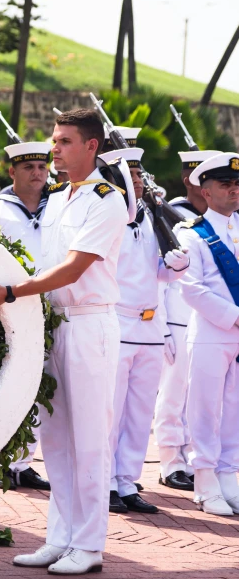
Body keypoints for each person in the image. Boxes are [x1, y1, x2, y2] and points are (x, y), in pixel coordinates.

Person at [0, 109, 128, 575]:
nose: (53, 149)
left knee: (89, 438)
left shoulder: (107, 199)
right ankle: (59, 537)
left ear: (91, 147)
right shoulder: (59, 198)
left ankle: (89, 544)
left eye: (63, 141)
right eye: (54, 140)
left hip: (88, 323)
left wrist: (10, 293)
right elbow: (40, 263)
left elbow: (74, 268)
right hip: (54, 322)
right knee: (55, 438)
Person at [100, 145, 190, 515]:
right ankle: (104, 480)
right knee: (112, 409)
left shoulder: (152, 218)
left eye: (139, 177)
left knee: (138, 411)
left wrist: (177, 266)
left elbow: (159, 272)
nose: (139, 183)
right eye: (132, 177)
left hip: (151, 326)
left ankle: (126, 480)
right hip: (119, 321)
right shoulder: (108, 219)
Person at [0, 142, 52, 491]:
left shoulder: (60, 207)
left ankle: (23, 462)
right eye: (28, 167)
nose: (37, 173)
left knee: (40, 388)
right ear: (12, 172)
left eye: (42, 166)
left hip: (51, 308)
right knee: (4, 383)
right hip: (5, 308)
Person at [176, 152, 239, 516]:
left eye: (237, 185)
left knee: (234, 410)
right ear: (207, 190)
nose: (233, 191)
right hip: (212, 333)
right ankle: (204, 481)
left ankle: (229, 477)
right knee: (204, 409)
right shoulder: (191, 233)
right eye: (225, 185)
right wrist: (235, 317)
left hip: (235, 336)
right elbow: (192, 289)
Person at [154, 149, 220, 490]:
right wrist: (161, 325)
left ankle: (196, 460)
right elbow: (164, 275)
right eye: (200, 180)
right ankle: (170, 461)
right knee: (173, 396)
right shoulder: (174, 218)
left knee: (206, 400)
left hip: (212, 325)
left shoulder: (223, 221)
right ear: (190, 182)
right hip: (179, 319)